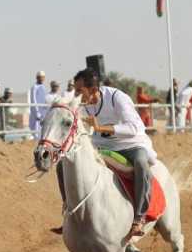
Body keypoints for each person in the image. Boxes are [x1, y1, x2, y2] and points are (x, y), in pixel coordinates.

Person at [56, 68, 157, 239]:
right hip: (100, 145)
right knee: (62, 163)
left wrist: (100, 128)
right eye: (75, 90)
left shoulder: (118, 98)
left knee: (141, 164)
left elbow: (135, 128)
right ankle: (69, 211)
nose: (76, 95)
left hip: (131, 144)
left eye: (80, 91)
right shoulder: (81, 105)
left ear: (93, 90)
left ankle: (139, 217)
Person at [29, 70, 48, 137]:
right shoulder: (34, 87)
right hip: (36, 112)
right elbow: (33, 100)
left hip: (43, 112)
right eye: (40, 77)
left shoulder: (43, 87)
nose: (41, 79)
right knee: (36, 130)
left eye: (43, 77)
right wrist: (37, 112)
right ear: (37, 78)